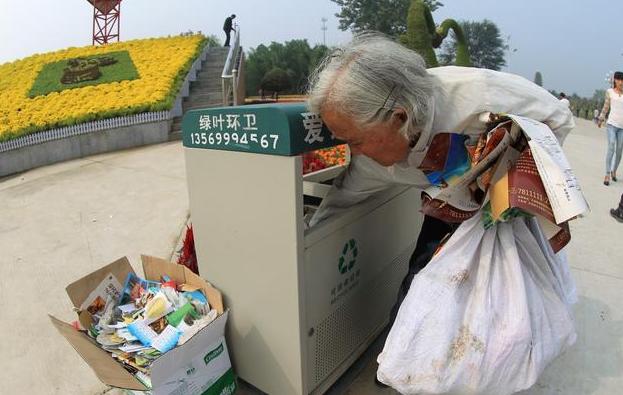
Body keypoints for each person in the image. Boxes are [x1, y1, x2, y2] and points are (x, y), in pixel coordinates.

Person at [306, 34, 574, 384]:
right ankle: (399, 371)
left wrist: (509, 174)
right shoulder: (372, 160)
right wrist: (304, 242)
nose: (352, 152)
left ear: (399, 118)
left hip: (498, 206)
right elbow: (345, 196)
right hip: (447, 205)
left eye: (354, 140)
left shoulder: (478, 96)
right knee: (422, 280)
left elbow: (558, 120)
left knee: (502, 307)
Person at [598, 71, 623, 186]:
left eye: (622, 80)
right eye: (619, 80)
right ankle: (607, 174)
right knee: (611, 146)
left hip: (622, 128)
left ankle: (614, 171)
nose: (621, 82)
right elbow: (606, 106)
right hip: (611, 125)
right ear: (615, 81)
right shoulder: (610, 92)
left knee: (619, 150)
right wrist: (601, 118)